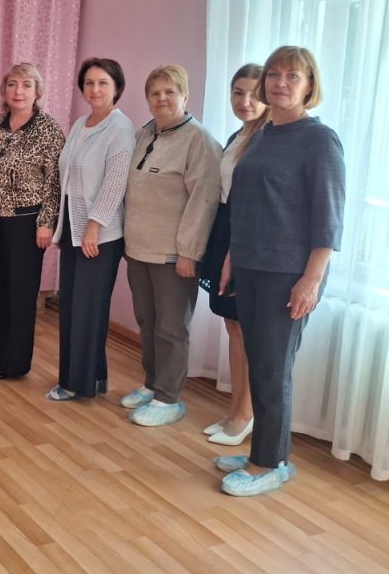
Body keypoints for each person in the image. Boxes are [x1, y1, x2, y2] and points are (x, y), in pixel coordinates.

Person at [216, 46, 345, 496]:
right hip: (250, 264)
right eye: (273, 74)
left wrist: (311, 280)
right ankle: (269, 454)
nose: (281, 83)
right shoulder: (263, 133)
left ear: (310, 86)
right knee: (260, 363)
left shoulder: (319, 140)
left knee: (273, 369)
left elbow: (329, 218)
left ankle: (268, 464)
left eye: (293, 76)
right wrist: (231, 257)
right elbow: (245, 204)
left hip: (288, 274)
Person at [121, 65, 221, 426]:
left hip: (174, 255)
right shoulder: (144, 134)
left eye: (170, 92)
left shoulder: (199, 140)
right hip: (138, 249)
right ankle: (152, 384)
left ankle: (169, 398)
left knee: (171, 328)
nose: (161, 98)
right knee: (147, 322)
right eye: (155, 93)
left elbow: (204, 201)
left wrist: (190, 253)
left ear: (185, 97)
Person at [46, 58, 136, 401]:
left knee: (86, 309)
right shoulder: (80, 124)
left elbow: (115, 183)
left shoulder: (120, 127)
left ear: (116, 88)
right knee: (73, 306)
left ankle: (75, 383)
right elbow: (68, 176)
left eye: (102, 83)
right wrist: (66, 225)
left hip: (100, 232)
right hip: (73, 225)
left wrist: (94, 226)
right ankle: (94, 377)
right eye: (89, 83)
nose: (95, 89)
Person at [0, 63, 65, 380]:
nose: (19, 91)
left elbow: (55, 181)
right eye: (13, 84)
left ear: (37, 92)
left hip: (26, 222)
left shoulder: (48, 129)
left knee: (20, 293)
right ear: (4, 89)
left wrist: (46, 222)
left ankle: (13, 363)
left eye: (27, 85)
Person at [197, 64, 269, 445]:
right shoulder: (237, 136)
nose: (245, 101)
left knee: (246, 329)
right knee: (232, 326)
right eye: (238, 93)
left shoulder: (267, 140)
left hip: (245, 235)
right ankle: (236, 411)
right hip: (224, 229)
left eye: (254, 94)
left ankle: (246, 414)